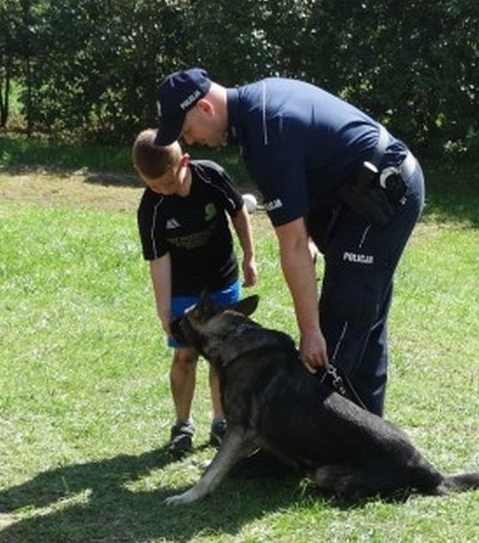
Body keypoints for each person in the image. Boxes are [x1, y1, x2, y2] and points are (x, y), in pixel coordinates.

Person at [154, 68, 425, 417]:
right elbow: (308, 175)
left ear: (205, 108)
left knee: (340, 323)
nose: (188, 140)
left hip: (384, 192)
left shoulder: (266, 130)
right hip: (355, 195)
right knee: (363, 319)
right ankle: (366, 437)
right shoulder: (256, 112)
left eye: (186, 129)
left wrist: (309, 331)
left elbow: (293, 245)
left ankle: (314, 445)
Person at [132, 128, 258, 458]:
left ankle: (221, 422)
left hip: (222, 280)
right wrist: (164, 310)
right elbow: (158, 261)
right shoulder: (152, 208)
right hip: (183, 289)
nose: (163, 191)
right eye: (154, 186)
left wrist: (250, 256)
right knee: (185, 355)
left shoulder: (212, 176)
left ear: (184, 162)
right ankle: (182, 425)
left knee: (220, 355)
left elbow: (238, 212)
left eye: (168, 183)